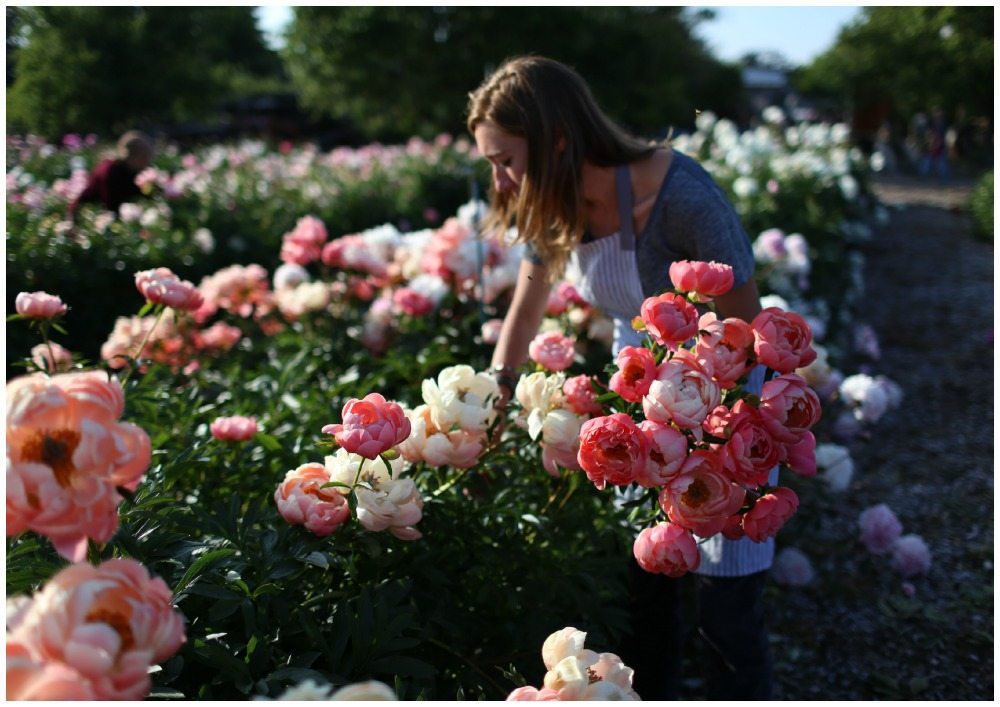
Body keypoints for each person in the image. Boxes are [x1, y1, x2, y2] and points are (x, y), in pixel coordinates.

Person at [467, 55, 774, 699]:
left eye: (504, 160)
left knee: (726, 613)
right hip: (641, 410)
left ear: (556, 140)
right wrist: (497, 391)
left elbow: (750, 330)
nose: (499, 180)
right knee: (647, 597)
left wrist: (720, 439)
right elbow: (525, 305)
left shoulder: (681, 197)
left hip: (726, 408)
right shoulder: (555, 204)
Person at [68, 130, 154, 220]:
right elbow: (111, 206)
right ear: (134, 155)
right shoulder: (110, 171)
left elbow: (143, 197)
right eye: (145, 157)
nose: (148, 162)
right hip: (85, 217)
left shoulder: (132, 172)